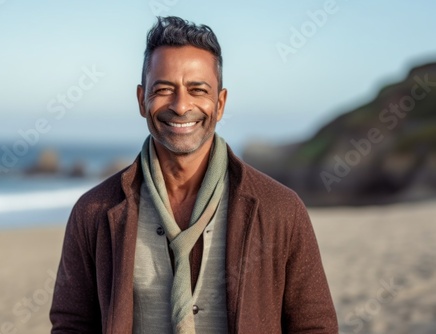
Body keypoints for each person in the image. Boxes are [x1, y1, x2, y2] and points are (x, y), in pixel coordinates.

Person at [50, 16, 338, 333]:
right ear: (141, 100)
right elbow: (72, 324)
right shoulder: (94, 212)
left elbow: (314, 326)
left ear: (220, 103)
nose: (181, 105)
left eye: (197, 89)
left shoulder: (280, 208)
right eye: (163, 89)